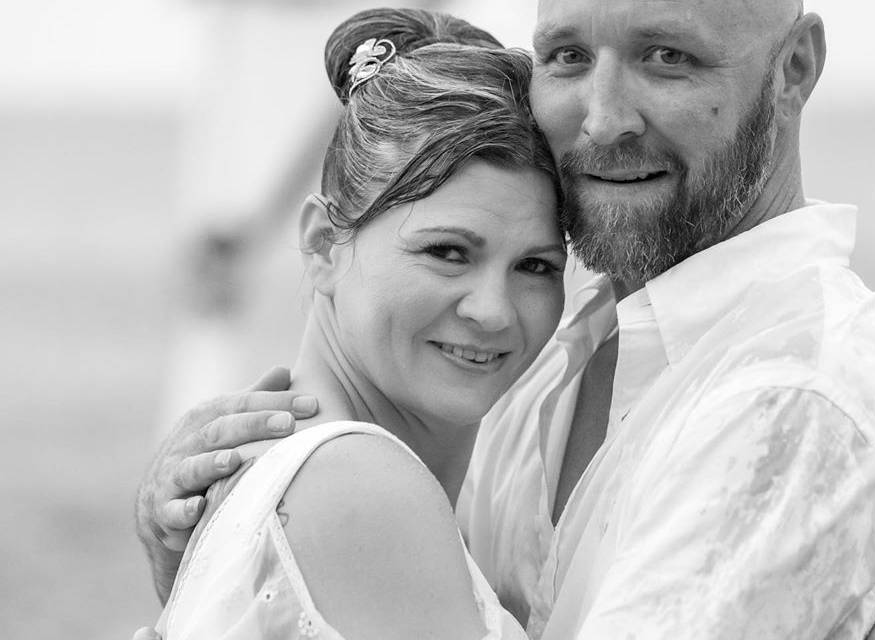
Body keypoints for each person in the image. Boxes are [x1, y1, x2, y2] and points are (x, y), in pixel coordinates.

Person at [136, 1, 875, 638]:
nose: (601, 119)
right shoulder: (554, 360)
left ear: (795, 68)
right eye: (567, 56)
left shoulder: (792, 398)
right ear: (321, 243)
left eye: (666, 57)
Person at [149, 7, 568, 638]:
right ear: (321, 245)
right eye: (447, 252)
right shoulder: (364, 487)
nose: (493, 309)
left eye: (536, 265)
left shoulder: (291, 473)